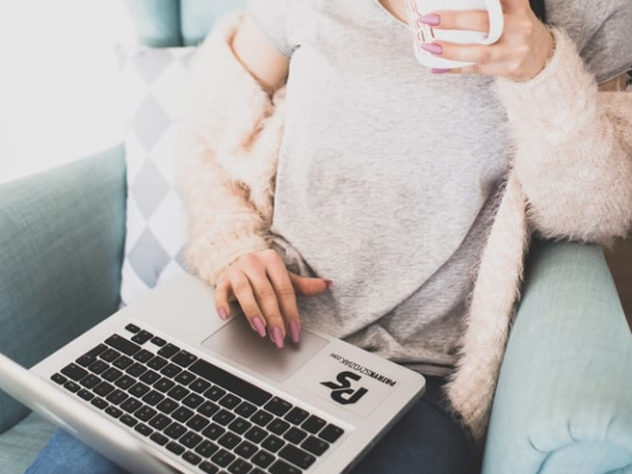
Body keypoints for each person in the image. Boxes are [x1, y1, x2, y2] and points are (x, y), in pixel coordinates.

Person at [26, 0, 632, 473]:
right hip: (251, 334)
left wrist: (540, 68)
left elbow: (592, 215)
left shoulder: (590, 13)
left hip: (414, 385)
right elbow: (209, 134)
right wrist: (234, 245)